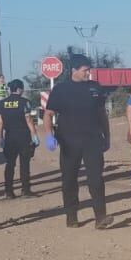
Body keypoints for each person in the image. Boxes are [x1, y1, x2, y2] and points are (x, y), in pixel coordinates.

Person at [43, 56, 113, 228]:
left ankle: (100, 217)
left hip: (93, 140)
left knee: (96, 179)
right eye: (85, 70)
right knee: (69, 180)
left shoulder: (95, 88)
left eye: (89, 70)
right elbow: (49, 114)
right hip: (69, 142)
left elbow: (102, 114)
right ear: (74, 70)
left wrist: (107, 136)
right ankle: (71, 215)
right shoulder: (60, 90)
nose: (88, 73)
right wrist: (49, 135)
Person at [0, 79, 37, 198]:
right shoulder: (25, 102)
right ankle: (25, 190)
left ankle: (8, 191)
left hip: (9, 137)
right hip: (23, 136)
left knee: (10, 164)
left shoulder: (2, 103)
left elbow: (0, 123)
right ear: (19, 89)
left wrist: (0, 138)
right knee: (24, 164)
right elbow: (28, 120)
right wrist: (34, 135)